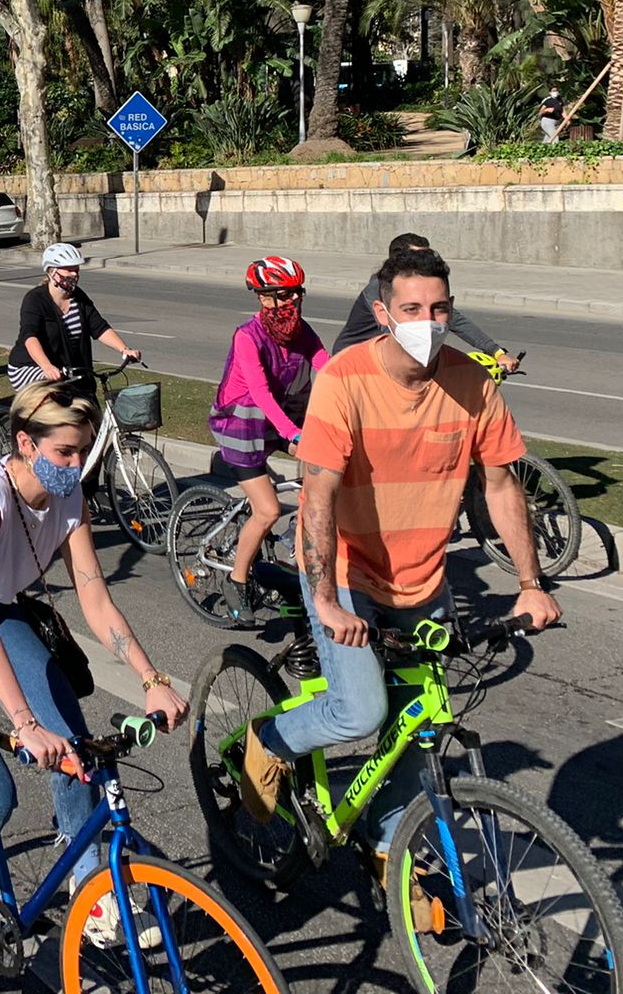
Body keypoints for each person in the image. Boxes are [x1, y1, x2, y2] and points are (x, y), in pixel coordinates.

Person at [236, 244, 562, 856]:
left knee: (422, 727)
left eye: (439, 309)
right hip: (346, 569)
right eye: (411, 309)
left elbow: (500, 485)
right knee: (359, 712)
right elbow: (319, 494)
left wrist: (530, 584)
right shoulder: (345, 379)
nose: (427, 322)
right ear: (383, 313)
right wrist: (326, 601)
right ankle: (272, 740)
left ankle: (387, 848)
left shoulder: (472, 383)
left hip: (424, 579)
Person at [0, 383, 188, 975]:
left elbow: (94, 596)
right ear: (26, 443)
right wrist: (24, 723)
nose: (76, 467)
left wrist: (150, 676)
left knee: (76, 745)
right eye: (64, 452)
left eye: (83, 452)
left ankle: (89, 883)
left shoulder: (69, 497)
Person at [207, 255, 330, 620]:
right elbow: (260, 393)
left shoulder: (303, 332)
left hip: (278, 419)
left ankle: (297, 537)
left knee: (326, 465)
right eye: (284, 294)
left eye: (297, 293)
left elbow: (330, 369)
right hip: (241, 425)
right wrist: (294, 434)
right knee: (268, 510)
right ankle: (237, 580)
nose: (293, 301)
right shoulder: (248, 336)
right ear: (264, 298)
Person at [329, 232, 518, 372]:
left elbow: (456, 320)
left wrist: (497, 352)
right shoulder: (379, 287)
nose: (426, 263)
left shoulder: (423, 287)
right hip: (355, 360)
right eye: (418, 258)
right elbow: (395, 336)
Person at [6, 244, 140, 398]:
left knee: (85, 402)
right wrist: (47, 367)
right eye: (69, 270)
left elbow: (99, 328)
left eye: (76, 270)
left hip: (67, 367)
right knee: (57, 399)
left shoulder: (79, 297)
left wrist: (124, 349)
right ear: (51, 271)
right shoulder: (35, 299)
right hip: (30, 366)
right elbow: (30, 337)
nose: (74, 274)